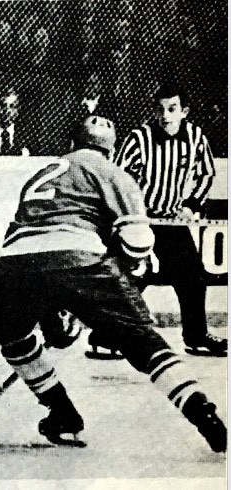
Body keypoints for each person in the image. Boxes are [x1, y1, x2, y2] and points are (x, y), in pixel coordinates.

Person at [0, 114, 226, 452]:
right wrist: (119, 273)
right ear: (111, 150)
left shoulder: (42, 173)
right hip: (77, 259)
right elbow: (138, 242)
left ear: (71, 144)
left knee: (15, 340)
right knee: (143, 342)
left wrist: (60, 307)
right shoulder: (113, 173)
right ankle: (202, 413)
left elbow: (36, 245)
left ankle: (62, 414)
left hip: (7, 269)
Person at [104, 83, 226, 357]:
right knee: (132, 278)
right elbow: (119, 179)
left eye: (172, 109)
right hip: (139, 223)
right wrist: (131, 213)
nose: (165, 116)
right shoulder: (139, 138)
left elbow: (206, 173)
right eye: (160, 109)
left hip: (171, 222)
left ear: (184, 111)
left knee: (193, 278)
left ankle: (196, 336)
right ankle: (106, 337)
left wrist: (191, 205)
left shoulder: (195, 136)